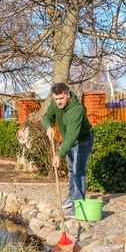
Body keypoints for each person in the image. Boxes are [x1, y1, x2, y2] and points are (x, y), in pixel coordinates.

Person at [41, 82, 95, 218]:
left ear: (68, 95)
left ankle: (78, 205)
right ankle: (71, 196)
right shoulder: (55, 104)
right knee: (71, 169)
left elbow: (72, 137)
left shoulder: (76, 110)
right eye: (56, 99)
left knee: (78, 172)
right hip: (69, 140)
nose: (58, 102)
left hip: (82, 141)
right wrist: (48, 127)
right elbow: (46, 117)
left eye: (61, 98)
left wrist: (59, 154)